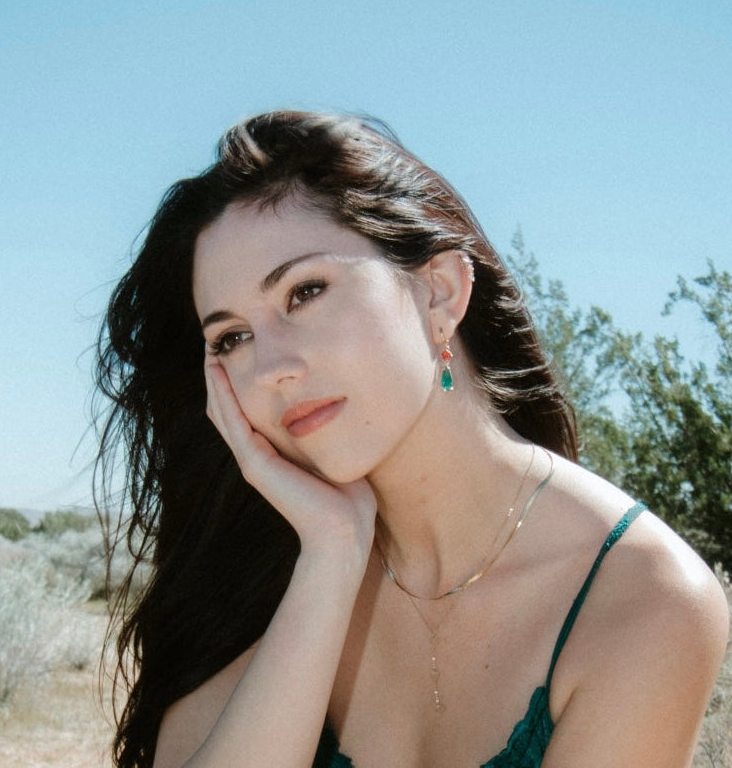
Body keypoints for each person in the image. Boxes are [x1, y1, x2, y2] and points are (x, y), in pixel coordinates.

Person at [95, 110, 728, 768]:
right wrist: (331, 556)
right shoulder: (259, 570)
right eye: (231, 337)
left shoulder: (643, 599)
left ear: (441, 292)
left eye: (305, 291)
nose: (271, 366)